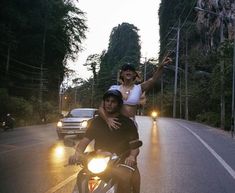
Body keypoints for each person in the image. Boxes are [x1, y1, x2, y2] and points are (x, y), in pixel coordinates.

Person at [68, 89, 141, 193]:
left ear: (119, 104)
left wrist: (132, 157)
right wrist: (77, 154)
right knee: (82, 175)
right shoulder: (97, 122)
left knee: (126, 178)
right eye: (107, 101)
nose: (109, 104)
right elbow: (84, 141)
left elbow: (135, 146)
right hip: (99, 159)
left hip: (120, 161)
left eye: (113, 101)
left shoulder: (127, 123)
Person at [99, 56, 172, 129]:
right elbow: (101, 107)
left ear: (134, 74)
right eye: (125, 70)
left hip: (130, 125)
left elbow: (153, 79)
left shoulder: (139, 88)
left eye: (131, 70)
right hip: (115, 122)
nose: (128, 71)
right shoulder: (114, 88)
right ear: (121, 74)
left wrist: (161, 66)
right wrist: (107, 119)